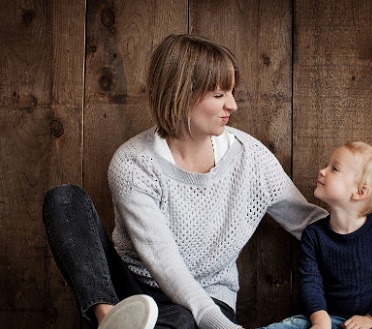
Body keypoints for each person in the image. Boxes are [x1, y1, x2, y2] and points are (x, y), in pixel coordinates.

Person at [42, 33, 327, 329]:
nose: (232, 105)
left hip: (207, 299)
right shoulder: (133, 163)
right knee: (64, 199)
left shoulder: (250, 158)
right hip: (130, 290)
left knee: (181, 319)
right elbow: (163, 262)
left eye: (231, 93)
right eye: (219, 95)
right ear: (180, 94)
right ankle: (109, 320)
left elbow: (308, 222)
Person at [260, 141, 372, 329]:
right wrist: (319, 319)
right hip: (328, 318)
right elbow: (310, 282)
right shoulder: (314, 235)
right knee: (288, 326)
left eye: (335, 169)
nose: (322, 171)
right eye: (327, 165)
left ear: (360, 191)